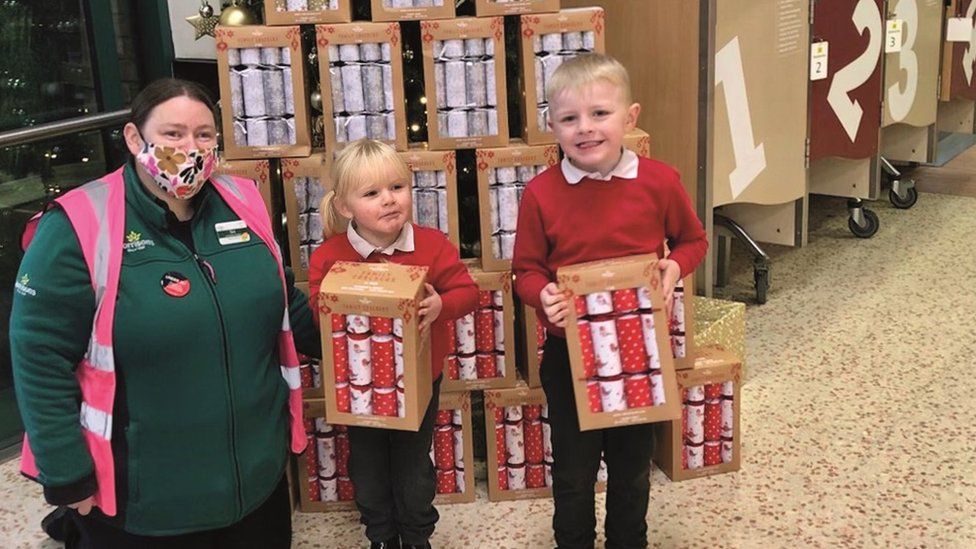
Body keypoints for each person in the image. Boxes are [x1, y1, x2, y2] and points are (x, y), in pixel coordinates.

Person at [10, 78, 320, 548]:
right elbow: (38, 355)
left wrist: (355, 329)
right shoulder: (78, 225)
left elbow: (283, 301)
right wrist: (67, 472)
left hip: (255, 483)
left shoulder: (243, 200)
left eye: (204, 135)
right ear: (136, 139)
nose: (190, 148)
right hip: (145, 503)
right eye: (173, 134)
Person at [512, 54, 708, 549]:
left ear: (630, 117)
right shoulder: (540, 193)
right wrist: (543, 295)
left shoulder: (660, 181)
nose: (586, 129)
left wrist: (674, 266)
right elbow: (526, 270)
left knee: (631, 468)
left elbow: (693, 240)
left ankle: (628, 541)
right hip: (568, 355)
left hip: (639, 354)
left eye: (600, 114)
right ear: (551, 125)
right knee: (574, 473)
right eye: (570, 118)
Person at [308, 139, 479, 549]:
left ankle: (417, 534)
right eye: (372, 193)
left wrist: (441, 303)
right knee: (367, 466)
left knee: (413, 464)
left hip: (420, 381)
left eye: (397, 187)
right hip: (357, 386)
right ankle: (381, 535)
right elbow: (319, 305)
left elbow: (468, 293)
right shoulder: (331, 256)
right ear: (346, 206)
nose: (389, 200)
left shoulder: (432, 244)